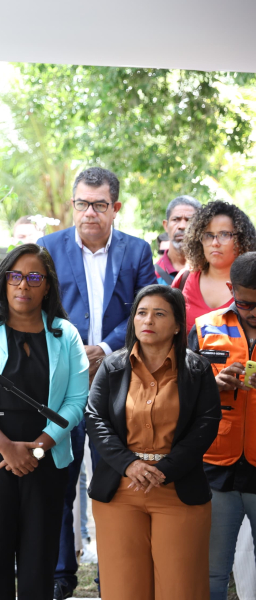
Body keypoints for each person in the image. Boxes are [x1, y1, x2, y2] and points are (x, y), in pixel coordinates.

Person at [37, 166, 157, 599]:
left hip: (119, 383)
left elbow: (148, 311)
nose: (90, 213)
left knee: (112, 481)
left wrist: (105, 350)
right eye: (82, 204)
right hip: (62, 385)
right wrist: (73, 351)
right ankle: (59, 576)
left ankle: (116, 576)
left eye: (99, 205)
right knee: (60, 480)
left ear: (115, 208)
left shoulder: (137, 252)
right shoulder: (46, 249)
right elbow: (36, 310)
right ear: (73, 205)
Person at [0, 243, 89, 600]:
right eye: (15, 276)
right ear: (4, 281)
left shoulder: (66, 334)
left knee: (38, 558)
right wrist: (6, 447)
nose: (23, 286)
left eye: (33, 277)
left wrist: (41, 447)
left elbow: (77, 401)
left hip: (45, 458)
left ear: (47, 285)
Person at [86, 285, 220, 600]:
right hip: (120, 490)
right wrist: (129, 464)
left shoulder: (197, 369)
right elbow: (95, 418)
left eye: (159, 314)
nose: (148, 320)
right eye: (142, 313)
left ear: (177, 325)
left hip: (177, 490)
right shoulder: (114, 366)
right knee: (123, 589)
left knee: (180, 589)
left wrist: (165, 469)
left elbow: (207, 424)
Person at [187, 252, 256, 599]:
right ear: (231, 289)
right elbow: (180, 392)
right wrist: (212, 386)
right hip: (217, 466)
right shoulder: (205, 326)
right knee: (212, 571)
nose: (255, 311)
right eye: (245, 303)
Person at [173, 200, 256, 334]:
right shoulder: (184, 279)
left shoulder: (252, 284)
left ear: (241, 239)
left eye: (224, 234)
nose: (215, 243)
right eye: (208, 235)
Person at [155, 195, 201, 286]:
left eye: (189, 220)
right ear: (166, 226)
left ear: (200, 227)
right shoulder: (150, 275)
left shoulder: (210, 271)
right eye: (176, 219)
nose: (182, 226)